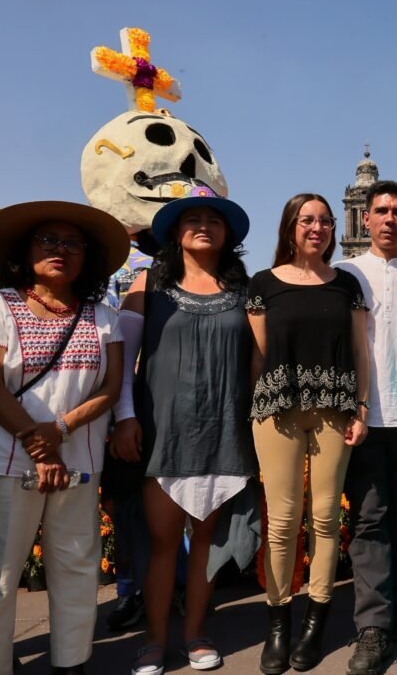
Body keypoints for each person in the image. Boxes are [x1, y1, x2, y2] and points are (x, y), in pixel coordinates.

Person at [113, 190, 257, 675]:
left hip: (224, 432)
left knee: (208, 542)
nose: (202, 226)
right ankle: (153, 641)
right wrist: (125, 417)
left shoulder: (244, 290)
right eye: (191, 219)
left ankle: (196, 634)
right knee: (162, 544)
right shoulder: (147, 282)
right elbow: (122, 359)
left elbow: (258, 363)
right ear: (175, 232)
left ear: (227, 235)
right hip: (162, 431)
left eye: (213, 220)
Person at [0, 201, 129, 675]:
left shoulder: (103, 316)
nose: (59, 251)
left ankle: (72, 663)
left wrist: (59, 430)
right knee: (0, 576)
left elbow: (110, 388)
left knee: (76, 567)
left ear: (87, 256)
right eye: (48, 241)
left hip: (80, 458)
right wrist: (37, 443)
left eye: (72, 243)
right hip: (5, 459)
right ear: (27, 251)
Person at [249, 192, 370, 674]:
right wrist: (251, 409)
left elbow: (359, 351)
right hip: (277, 410)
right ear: (290, 227)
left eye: (323, 221)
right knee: (281, 520)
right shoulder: (263, 284)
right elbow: (257, 357)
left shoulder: (346, 285)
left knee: (323, 517)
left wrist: (360, 408)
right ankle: (278, 623)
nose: (316, 228)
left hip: (335, 411)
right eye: (306, 220)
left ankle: (315, 620)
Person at [334, 180, 397, 675]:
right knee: (371, 519)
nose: (390, 219)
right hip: (364, 419)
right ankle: (371, 628)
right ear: (365, 218)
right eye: (381, 211)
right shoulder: (345, 273)